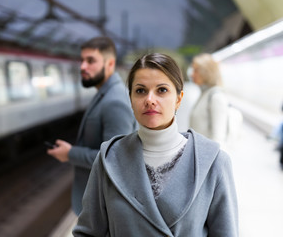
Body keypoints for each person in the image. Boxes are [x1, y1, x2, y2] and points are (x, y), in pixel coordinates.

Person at [73, 53, 238, 236]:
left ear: (178, 98)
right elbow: (87, 233)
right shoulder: (108, 159)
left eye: (162, 90)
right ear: (131, 99)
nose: (150, 99)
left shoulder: (214, 162)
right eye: (141, 91)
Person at [47, 36, 137, 216]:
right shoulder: (106, 94)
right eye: (82, 60)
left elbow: (115, 160)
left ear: (110, 64)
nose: (82, 67)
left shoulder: (114, 101)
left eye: (91, 61)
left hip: (106, 208)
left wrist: (70, 154)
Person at [189, 53, 229, 146]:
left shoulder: (216, 97)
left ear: (205, 72)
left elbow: (218, 138)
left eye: (195, 70)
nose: (192, 74)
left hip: (206, 157)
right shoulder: (204, 94)